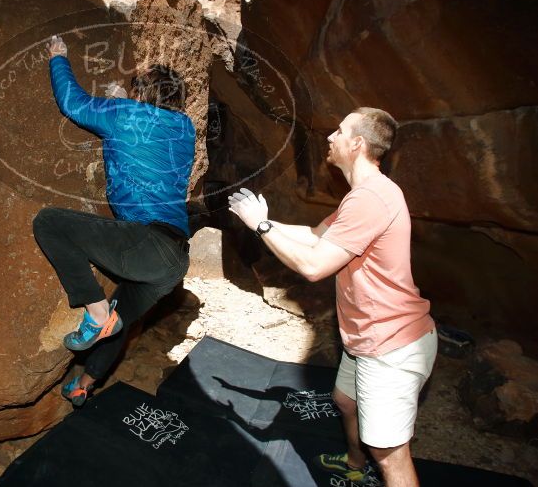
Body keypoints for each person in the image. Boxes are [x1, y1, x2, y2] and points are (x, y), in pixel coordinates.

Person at [228, 108, 436, 487]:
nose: (330, 137)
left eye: (339, 131)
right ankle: (355, 463)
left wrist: (260, 226)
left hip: (391, 344)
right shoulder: (362, 195)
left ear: (357, 143)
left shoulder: (370, 199)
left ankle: (368, 461)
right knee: (345, 401)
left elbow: (313, 265)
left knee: (390, 456)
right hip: (367, 339)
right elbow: (314, 234)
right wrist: (260, 219)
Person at [33, 35, 195, 407]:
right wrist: (123, 100)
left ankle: (93, 309)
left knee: (50, 222)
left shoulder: (124, 115)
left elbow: (73, 104)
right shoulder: (185, 128)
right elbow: (147, 130)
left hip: (147, 242)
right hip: (173, 261)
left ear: (140, 91)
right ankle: (84, 384)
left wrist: (58, 58)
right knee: (119, 323)